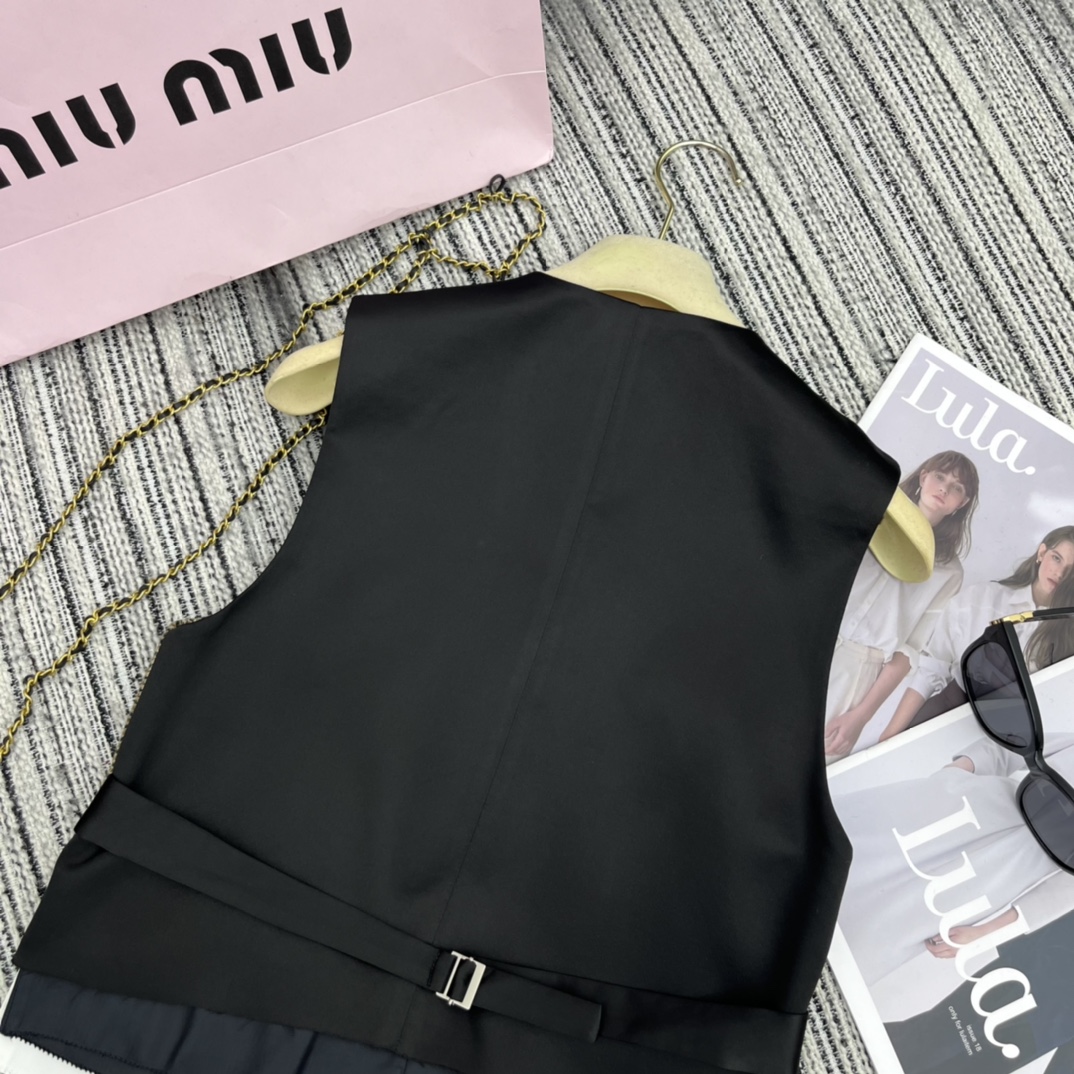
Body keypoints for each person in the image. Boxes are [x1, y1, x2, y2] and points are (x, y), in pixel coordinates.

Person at [835, 731, 1074, 997]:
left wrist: (984, 933)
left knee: (880, 927)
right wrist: (956, 771)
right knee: (855, 846)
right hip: (970, 806)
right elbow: (1013, 747)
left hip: (997, 872)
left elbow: (1060, 894)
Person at [823, 451, 979, 760]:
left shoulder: (949, 573)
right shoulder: (873, 513)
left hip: (857, 672)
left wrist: (861, 716)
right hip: (811, 637)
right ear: (923, 477)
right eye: (939, 477)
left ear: (961, 503)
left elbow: (909, 650)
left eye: (957, 487)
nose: (944, 488)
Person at [878, 526, 1074, 743]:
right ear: (1042, 553)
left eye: (1072, 570)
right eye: (1056, 558)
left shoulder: (1067, 635)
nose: (1060, 574)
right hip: (945, 714)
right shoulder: (983, 598)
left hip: (1007, 739)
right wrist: (891, 733)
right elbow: (933, 666)